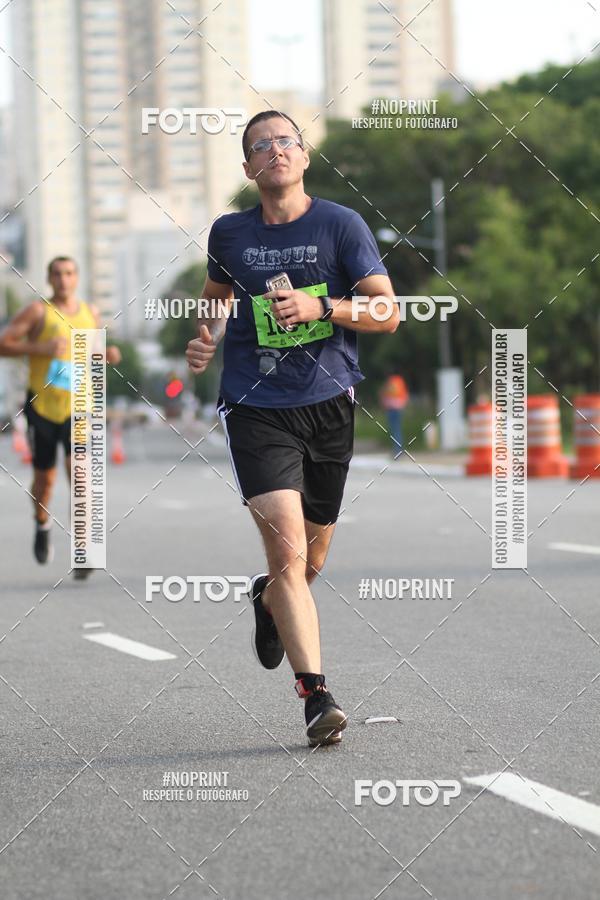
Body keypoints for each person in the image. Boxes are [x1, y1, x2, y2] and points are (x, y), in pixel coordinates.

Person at [186, 110, 399, 746]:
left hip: (329, 401)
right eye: (260, 145)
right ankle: (316, 696)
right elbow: (215, 298)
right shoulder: (229, 233)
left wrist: (322, 307)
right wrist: (206, 337)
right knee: (287, 552)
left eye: (286, 141)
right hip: (255, 407)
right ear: (248, 167)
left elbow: (388, 312)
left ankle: (269, 600)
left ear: (303, 157)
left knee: (312, 555)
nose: (275, 151)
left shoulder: (341, 224)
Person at [0, 256, 121, 572]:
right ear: (49, 278)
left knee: (80, 475)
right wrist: (38, 348)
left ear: (77, 278)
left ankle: (83, 549)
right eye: (57, 274)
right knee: (45, 480)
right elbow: (4, 343)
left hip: (80, 406)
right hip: (42, 407)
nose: (63, 279)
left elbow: (95, 349)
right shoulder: (38, 311)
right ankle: (41, 523)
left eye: (69, 273)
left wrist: (107, 354)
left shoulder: (89, 312)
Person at [379, 374, 409, 457]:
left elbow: (384, 393)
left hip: (391, 408)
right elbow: (405, 395)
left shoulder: (390, 382)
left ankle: (397, 450)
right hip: (399, 407)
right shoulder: (400, 381)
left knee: (395, 430)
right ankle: (398, 449)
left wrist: (383, 403)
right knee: (397, 429)